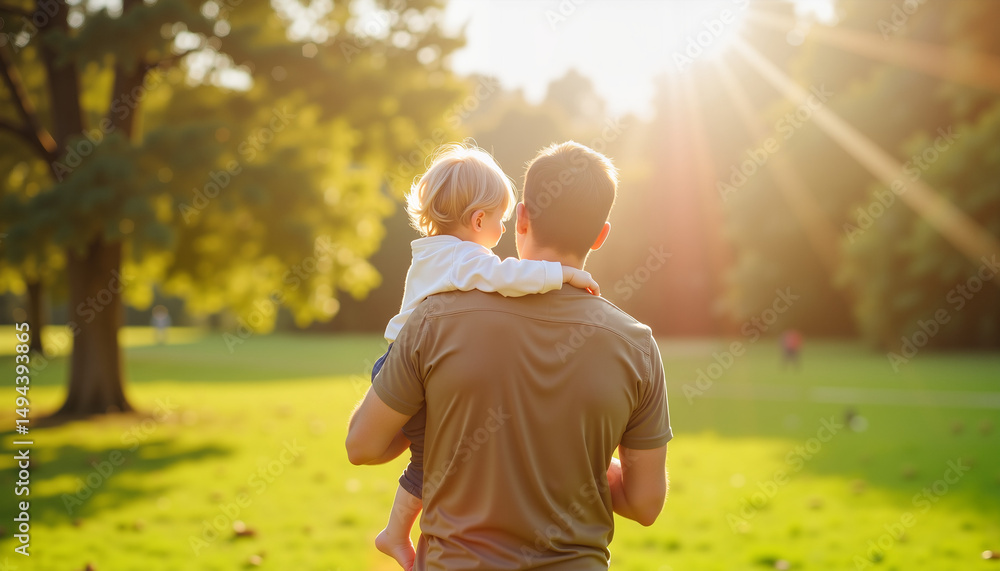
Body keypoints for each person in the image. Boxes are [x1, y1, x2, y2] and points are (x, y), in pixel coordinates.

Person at [347, 141, 671, 570]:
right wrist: (578, 449)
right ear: (600, 234)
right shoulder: (637, 344)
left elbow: (363, 446)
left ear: (521, 217)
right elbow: (645, 504)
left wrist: (443, 418)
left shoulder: (434, 318)